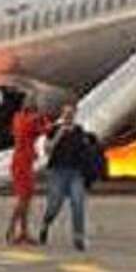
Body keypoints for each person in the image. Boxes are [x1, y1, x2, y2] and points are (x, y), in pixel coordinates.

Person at [39, 103, 102, 251]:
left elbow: (85, 150)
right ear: (62, 114)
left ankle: (78, 237)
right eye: (66, 113)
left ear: (75, 114)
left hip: (75, 173)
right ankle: (45, 224)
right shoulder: (54, 129)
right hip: (58, 172)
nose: (68, 116)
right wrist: (59, 135)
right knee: (54, 205)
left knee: (78, 203)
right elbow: (47, 150)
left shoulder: (79, 131)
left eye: (71, 113)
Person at [5, 100, 50, 245]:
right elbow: (46, 130)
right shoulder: (32, 120)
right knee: (24, 199)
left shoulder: (17, 118)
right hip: (23, 162)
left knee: (26, 198)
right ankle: (11, 229)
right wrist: (44, 118)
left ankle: (23, 232)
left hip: (21, 160)